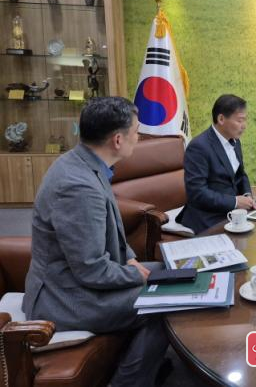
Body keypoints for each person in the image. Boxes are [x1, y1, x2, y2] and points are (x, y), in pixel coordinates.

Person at [22, 96, 169, 387]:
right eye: (136, 131)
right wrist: (134, 275)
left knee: (170, 273)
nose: (139, 137)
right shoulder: (77, 186)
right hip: (64, 297)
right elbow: (91, 270)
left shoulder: (84, 163)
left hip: (78, 281)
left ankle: (145, 366)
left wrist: (129, 258)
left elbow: (111, 231)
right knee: (165, 303)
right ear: (117, 139)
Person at [178, 94, 256, 233]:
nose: (244, 126)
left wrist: (247, 195)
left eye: (245, 120)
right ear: (221, 119)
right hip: (210, 214)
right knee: (252, 234)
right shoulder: (199, 147)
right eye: (240, 120)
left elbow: (241, 175)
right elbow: (197, 193)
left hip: (236, 210)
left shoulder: (235, 141)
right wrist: (235, 202)